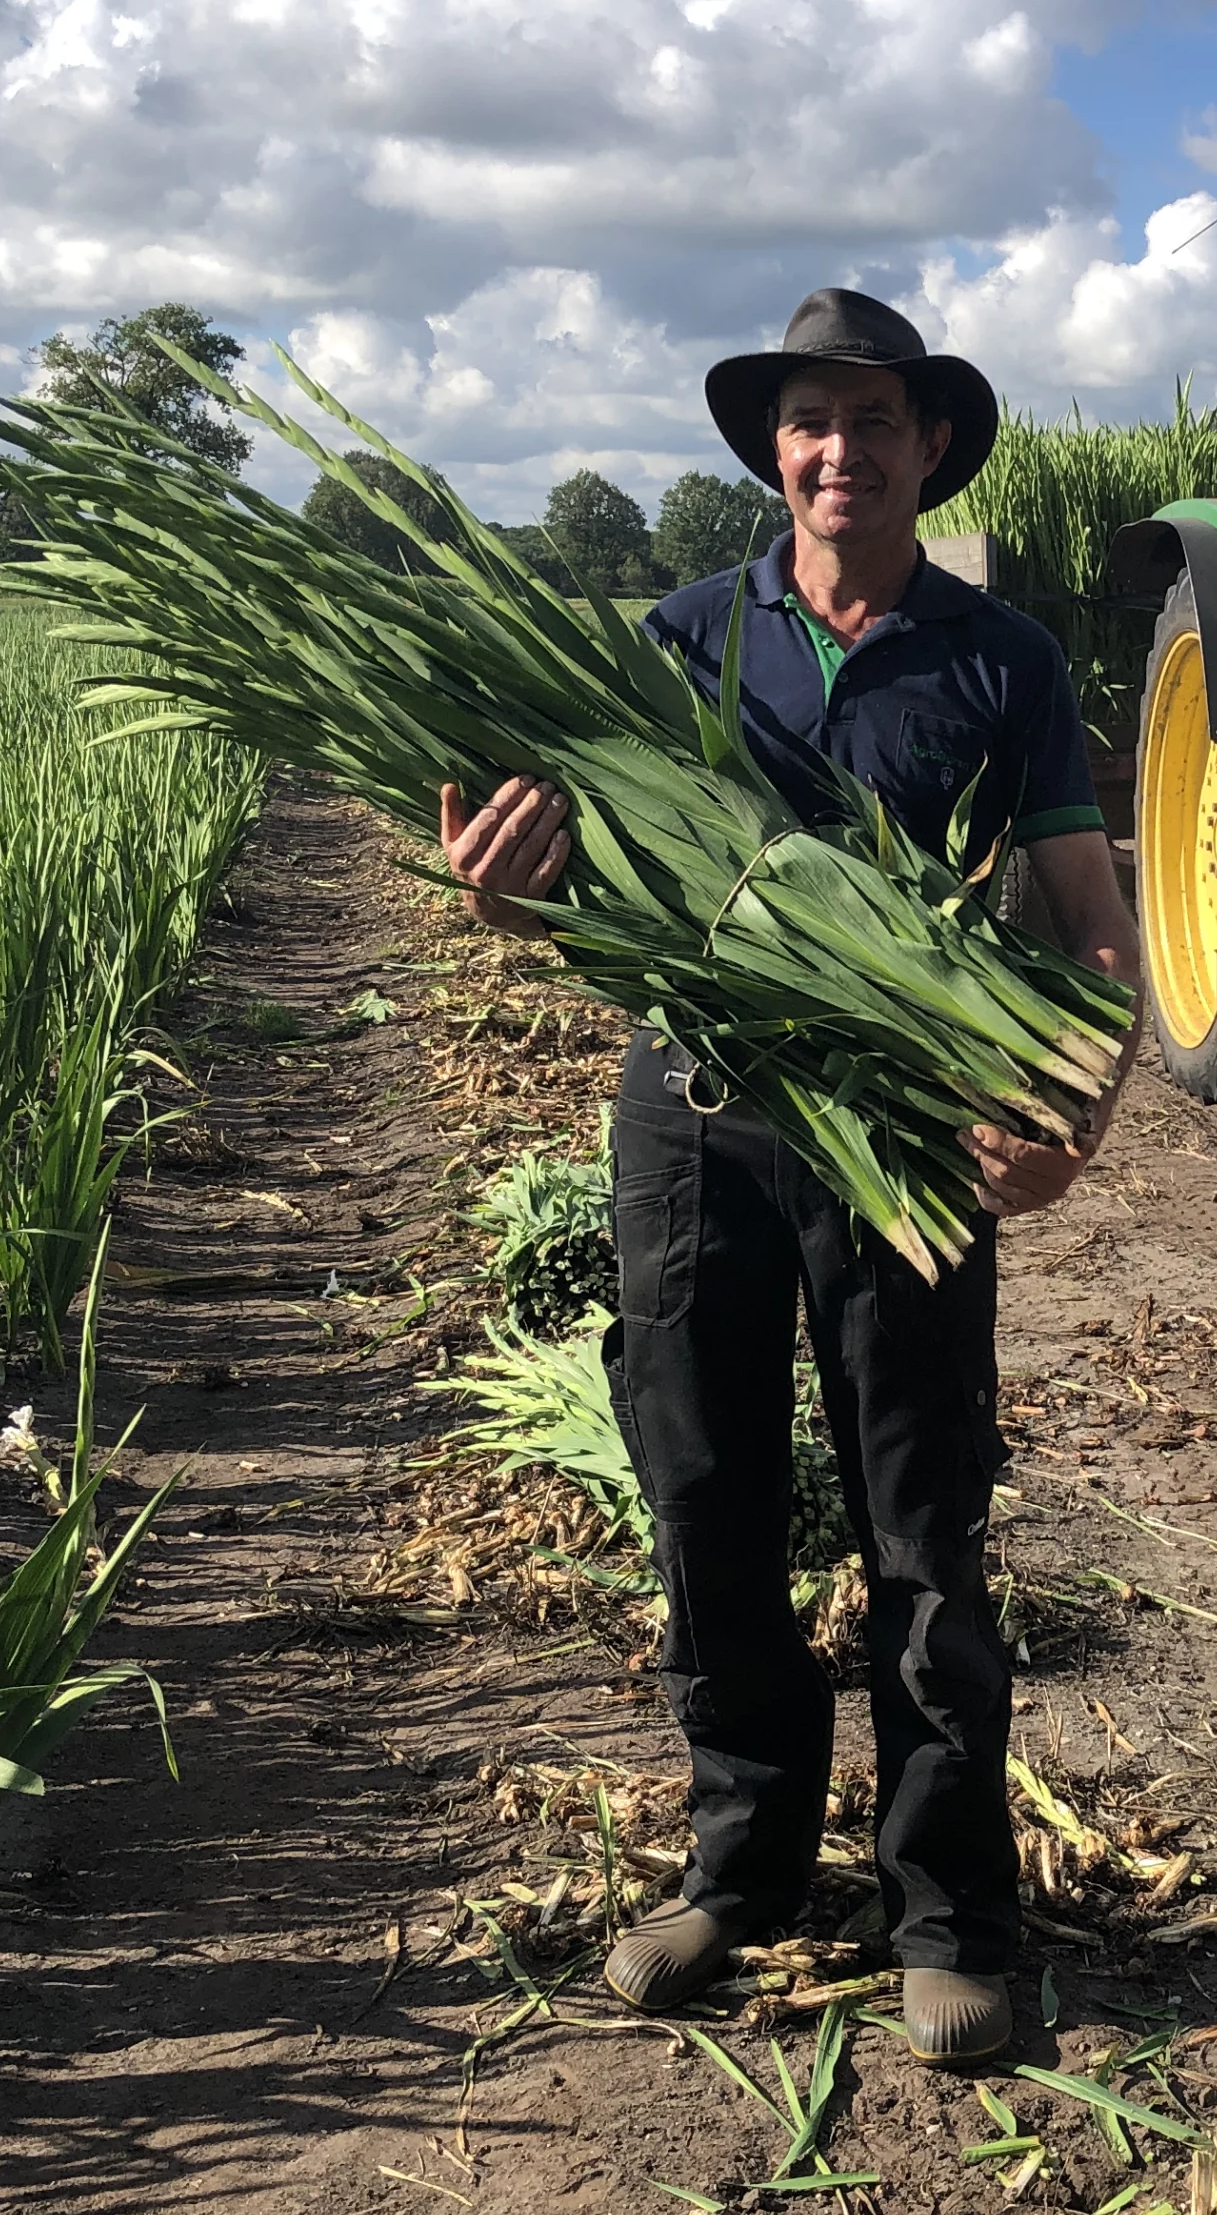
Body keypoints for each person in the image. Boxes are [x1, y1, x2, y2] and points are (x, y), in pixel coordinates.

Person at [440, 288, 1142, 2067]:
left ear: (928, 448)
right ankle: (740, 1871)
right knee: (706, 1494)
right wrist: (504, 885)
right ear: (776, 449)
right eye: (809, 420)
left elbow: (1086, 923)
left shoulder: (1004, 663)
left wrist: (1076, 1115)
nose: (841, 449)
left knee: (923, 1519)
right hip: (695, 1122)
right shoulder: (675, 644)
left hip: (902, 1132)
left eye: (875, 420)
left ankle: (948, 1907)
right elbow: (578, 894)